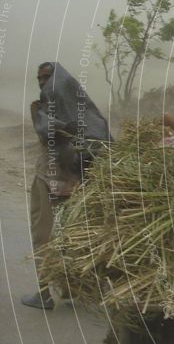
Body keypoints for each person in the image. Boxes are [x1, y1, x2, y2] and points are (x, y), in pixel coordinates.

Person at [22, 62, 113, 309]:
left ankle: (44, 293)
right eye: (39, 78)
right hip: (74, 181)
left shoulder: (48, 105)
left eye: (46, 77)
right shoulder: (81, 107)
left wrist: (36, 115)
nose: (42, 83)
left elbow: (48, 137)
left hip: (49, 176)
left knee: (43, 232)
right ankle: (71, 286)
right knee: (69, 232)